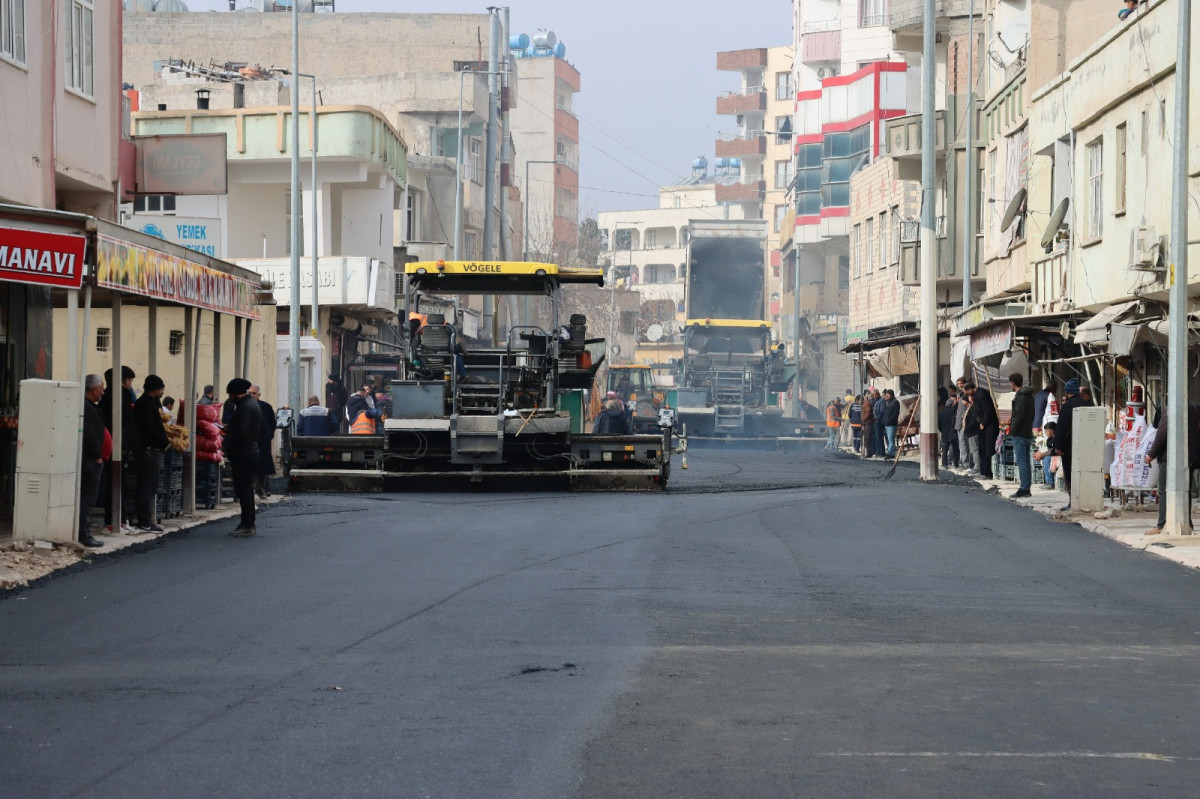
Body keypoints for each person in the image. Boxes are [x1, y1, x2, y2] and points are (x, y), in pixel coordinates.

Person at [1144, 399, 1200, 535]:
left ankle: (1161, 525)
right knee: (1185, 491)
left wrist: (1151, 454)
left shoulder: (1171, 408)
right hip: (1189, 457)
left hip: (1169, 457)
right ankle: (1187, 524)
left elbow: (1162, 433)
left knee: (1164, 490)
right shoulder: (1195, 409)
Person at [99, 365, 138, 533]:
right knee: (116, 484)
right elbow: (127, 424)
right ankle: (114, 521)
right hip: (116, 447)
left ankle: (119, 520)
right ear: (126, 380)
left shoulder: (108, 397)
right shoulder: (119, 397)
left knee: (115, 484)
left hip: (113, 446)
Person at [223, 379, 262, 537]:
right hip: (249, 452)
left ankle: (247, 524)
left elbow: (242, 432)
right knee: (245, 489)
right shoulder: (250, 404)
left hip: (244, 454)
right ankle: (247, 523)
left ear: (235, 393)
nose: (229, 397)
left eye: (230, 394)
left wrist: (228, 443)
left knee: (244, 490)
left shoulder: (245, 407)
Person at [133, 375, 169, 533]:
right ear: (156, 389)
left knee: (148, 485)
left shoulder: (150, 403)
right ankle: (145, 520)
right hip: (149, 450)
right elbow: (151, 429)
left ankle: (145, 519)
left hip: (151, 448)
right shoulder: (146, 405)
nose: (162, 392)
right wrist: (164, 442)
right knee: (147, 485)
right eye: (161, 389)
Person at [1054, 378, 1093, 509]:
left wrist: (1057, 446)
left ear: (1066, 392)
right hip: (1087, 447)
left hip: (1069, 448)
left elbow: (1061, 428)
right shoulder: (1088, 405)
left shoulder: (1067, 406)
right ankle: (1086, 501)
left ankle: (1073, 502)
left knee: (1070, 475)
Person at [78, 374, 107, 548]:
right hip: (90, 461)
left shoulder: (90, 406)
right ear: (94, 389)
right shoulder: (86, 408)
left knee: (88, 499)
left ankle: (84, 532)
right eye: (101, 389)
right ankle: (84, 534)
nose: (103, 392)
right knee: (87, 500)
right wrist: (97, 455)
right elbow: (89, 435)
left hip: (92, 459)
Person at [1009, 373, 1036, 498]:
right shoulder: (1029, 397)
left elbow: (1018, 417)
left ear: (1013, 383)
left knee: (1022, 462)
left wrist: (1012, 431)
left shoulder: (1021, 398)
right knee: (1025, 462)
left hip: (1020, 433)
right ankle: (1026, 487)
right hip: (1027, 432)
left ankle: (1024, 488)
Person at [249, 385, 276, 498]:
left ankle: (262, 488)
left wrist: (269, 434)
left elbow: (272, 422)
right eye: (249, 393)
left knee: (263, 464)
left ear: (258, 395)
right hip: (249, 441)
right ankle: (254, 488)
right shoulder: (244, 406)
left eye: (254, 393)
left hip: (263, 441)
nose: (251, 395)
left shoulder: (266, 407)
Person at [970, 382, 999, 479]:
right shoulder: (976, 397)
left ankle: (987, 473)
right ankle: (984, 471)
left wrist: (983, 423)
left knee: (987, 449)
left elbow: (988, 410)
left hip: (988, 427)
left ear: (971, 389)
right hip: (982, 427)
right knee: (982, 449)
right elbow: (977, 412)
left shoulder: (981, 395)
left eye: (968, 393)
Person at [939, 389, 961, 468]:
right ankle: (956, 464)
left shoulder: (941, 412)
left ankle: (944, 464)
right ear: (952, 404)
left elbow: (939, 424)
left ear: (945, 404)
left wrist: (942, 430)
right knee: (955, 450)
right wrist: (958, 400)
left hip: (944, 433)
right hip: (953, 433)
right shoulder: (954, 411)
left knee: (944, 450)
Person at [877, 389, 901, 458]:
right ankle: (890, 452)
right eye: (886, 394)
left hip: (891, 424)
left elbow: (895, 414)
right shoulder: (887, 402)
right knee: (888, 439)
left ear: (892, 395)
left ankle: (890, 453)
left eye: (888, 394)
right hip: (886, 424)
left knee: (891, 439)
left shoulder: (895, 403)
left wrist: (889, 420)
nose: (886, 396)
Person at [1036, 422, 1057, 488]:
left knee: (1046, 459)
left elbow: (1053, 450)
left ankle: (1050, 482)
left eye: (1046, 431)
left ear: (1050, 431)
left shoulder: (1057, 438)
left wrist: (1043, 455)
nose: (1045, 433)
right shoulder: (1049, 440)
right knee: (1045, 458)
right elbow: (1049, 451)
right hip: (1053, 455)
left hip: (1058, 455)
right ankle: (1047, 481)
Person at [860, 388, 876, 458]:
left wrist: (864, 420)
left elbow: (868, 412)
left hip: (868, 423)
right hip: (866, 423)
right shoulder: (865, 403)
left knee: (867, 438)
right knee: (867, 438)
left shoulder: (866, 403)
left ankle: (869, 452)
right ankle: (869, 451)